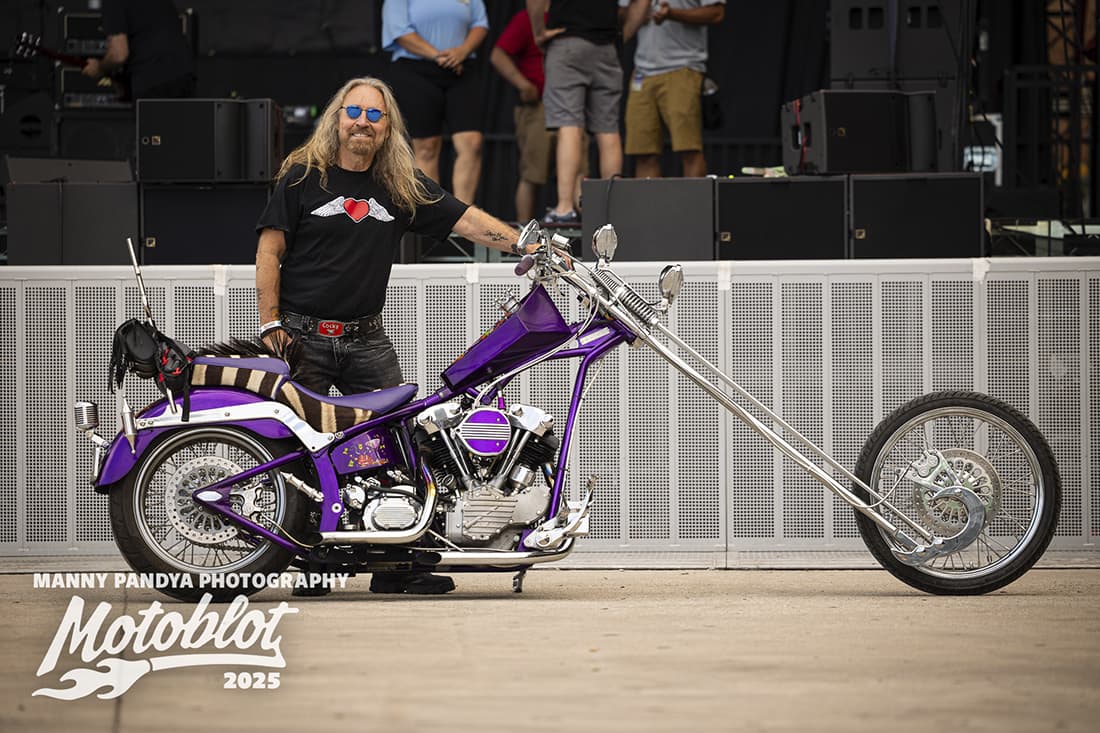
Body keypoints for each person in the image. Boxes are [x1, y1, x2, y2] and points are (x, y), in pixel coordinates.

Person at [254, 77, 534, 595]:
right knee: (302, 456)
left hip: (366, 339)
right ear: (336, 117)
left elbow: (466, 220)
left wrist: (526, 244)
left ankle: (397, 567)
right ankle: (314, 565)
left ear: (387, 128)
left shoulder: (400, 186)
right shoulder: (301, 177)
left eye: (374, 115)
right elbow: (269, 250)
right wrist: (270, 322)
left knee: (401, 446)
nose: (362, 121)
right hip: (300, 335)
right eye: (353, 111)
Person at [526, 0, 648, 224]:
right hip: (607, 47)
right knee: (608, 130)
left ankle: (564, 208)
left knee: (569, 126)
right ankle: (613, 211)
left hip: (567, 41)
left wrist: (538, 32)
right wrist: (622, 36)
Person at [381, 0, 489, 205]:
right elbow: (400, 32)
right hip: (416, 69)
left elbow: (480, 24)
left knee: (472, 143)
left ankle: (464, 215)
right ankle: (433, 213)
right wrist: (439, 55)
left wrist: (462, 51)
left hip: (461, 68)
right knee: (426, 147)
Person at [490, 8, 588, 222]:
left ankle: (588, 233)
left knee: (580, 173)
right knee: (532, 174)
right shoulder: (529, 18)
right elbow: (498, 54)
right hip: (539, 106)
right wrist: (523, 84)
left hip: (573, 105)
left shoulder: (575, 16)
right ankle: (525, 236)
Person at [619, 0, 725, 178]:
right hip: (642, 72)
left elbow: (717, 13)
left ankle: (694, 206)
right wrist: (637, 13)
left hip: (683, 67)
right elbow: (621, 12)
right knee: (643, 153)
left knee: (689, 148)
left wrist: (672, 14)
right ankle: (649, 206)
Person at [81, 0, 195, 100]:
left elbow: (119, 54)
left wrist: (99, 68)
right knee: (178, 124)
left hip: (152, 81)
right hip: (183, 74)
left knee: (153, 125)